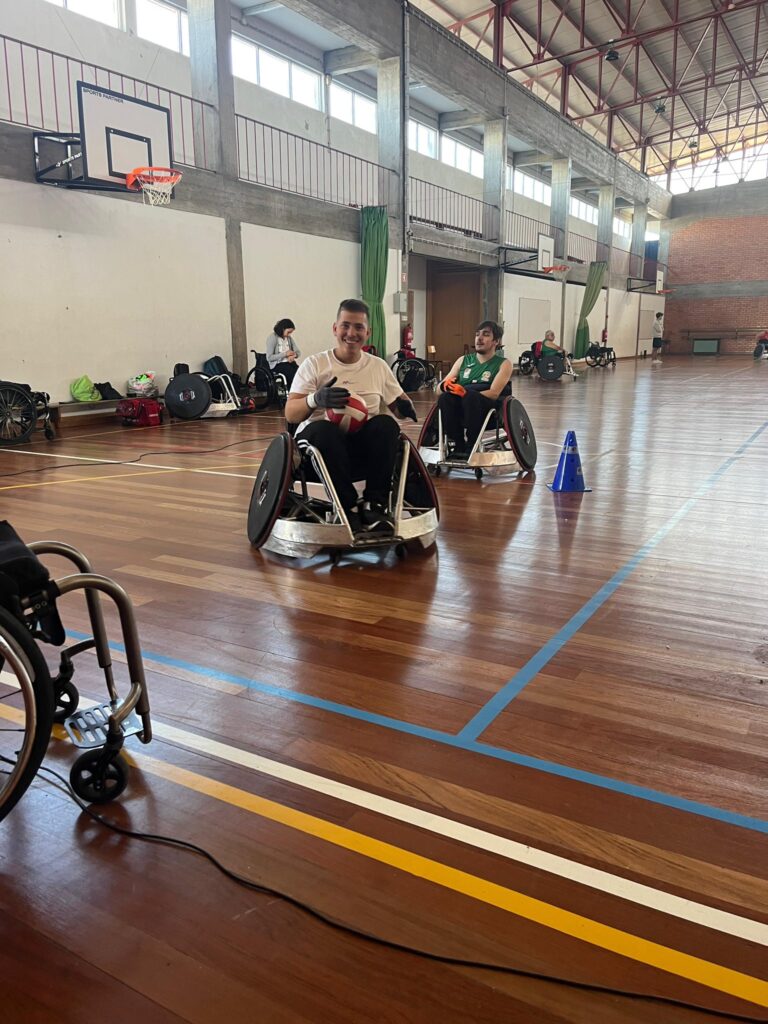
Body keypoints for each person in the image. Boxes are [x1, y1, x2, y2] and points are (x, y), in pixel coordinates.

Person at [285, 299, 417, 536]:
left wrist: (406, 407)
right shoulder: (315, 364)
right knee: (326, 430)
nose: (351, 333)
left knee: (386, 424)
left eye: (358, 327)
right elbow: (290, 413)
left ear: (368, 332)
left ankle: (375, 505)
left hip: (360, 452)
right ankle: (346, 507)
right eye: (345, 326)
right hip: (318, 453)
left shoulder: (378, 367)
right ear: (335, 328)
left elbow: (399, 407)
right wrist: (315, 399)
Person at [436, 321, 512, 456]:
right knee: (445, 398)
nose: (479, 338)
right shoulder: (463, 360)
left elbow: (494, 393)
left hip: (486, 407)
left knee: (470, 397)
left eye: (486, 335)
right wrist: (444, 386)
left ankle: (472, 445)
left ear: (496, 341)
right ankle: (458, 444)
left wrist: (465, 393)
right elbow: (437, 390)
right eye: (477, 334)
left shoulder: (504, 364)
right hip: (461, 405)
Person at [266, 319, 301, 388]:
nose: (289, 334)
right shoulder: (272, 338)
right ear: (283, 329)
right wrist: (285, 354)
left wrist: (294, 355)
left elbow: (298, 352)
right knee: (291, 373)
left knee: (300, 372)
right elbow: (269, 358)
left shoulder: (289, 338)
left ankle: (298, 391)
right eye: (288, 332)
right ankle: (292, 391)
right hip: (277, 364)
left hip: (289, 363)